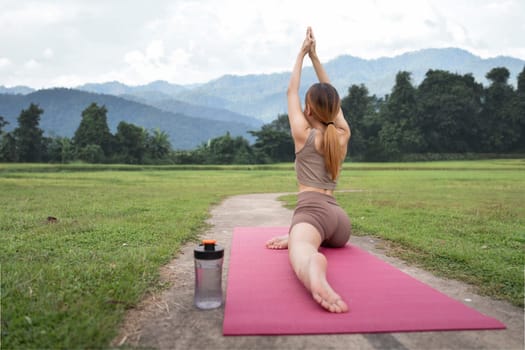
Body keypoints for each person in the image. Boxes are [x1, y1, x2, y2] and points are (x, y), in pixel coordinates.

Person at [266, 27, 352, 313]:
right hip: (339, 222)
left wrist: (302, 53)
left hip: (312, 212)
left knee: (301, 251)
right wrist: (317, 58)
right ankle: (300, 236)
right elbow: (332, 100)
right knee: (301, 236)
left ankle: (315, 272)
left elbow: (291, 89)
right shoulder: (342, 134)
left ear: (309, 111)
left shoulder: (303, 134)